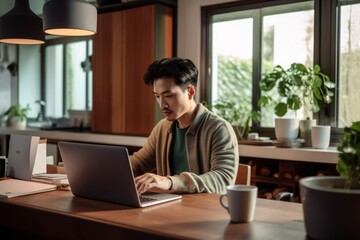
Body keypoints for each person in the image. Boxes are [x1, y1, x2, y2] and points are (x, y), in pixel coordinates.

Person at [131, 57, 239, 194]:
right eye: (157, 96)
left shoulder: (219, 129)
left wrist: (169, 182)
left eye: (168, 96)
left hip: (205, 211)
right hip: (169, 208)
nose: (162, 105)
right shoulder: (162, 128)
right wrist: (104, 168)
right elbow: (138, 163)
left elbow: (223, 180)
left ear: (190, 92)